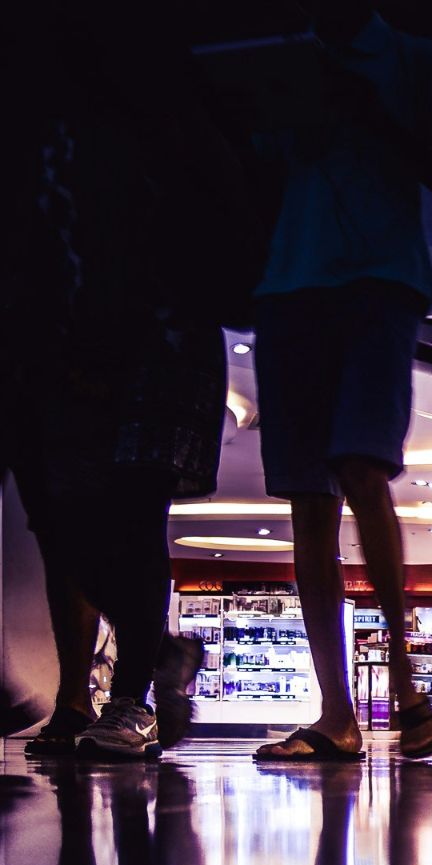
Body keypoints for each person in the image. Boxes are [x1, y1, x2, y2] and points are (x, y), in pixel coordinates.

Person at [3, 9, 251, 759]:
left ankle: (129, 691)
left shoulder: (130, 124)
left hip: (143, 342)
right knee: (66, 517)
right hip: (82, 341)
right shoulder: (83, 122)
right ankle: (144, 666)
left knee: (114, 513)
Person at [252, 2, 432, 762]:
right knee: (309, 504)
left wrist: (371, 115)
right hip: (289, 289)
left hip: (378, 283)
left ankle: (404, 676)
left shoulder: (414, 61)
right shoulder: (281, 63)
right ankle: (336, 711)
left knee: (358, 468)